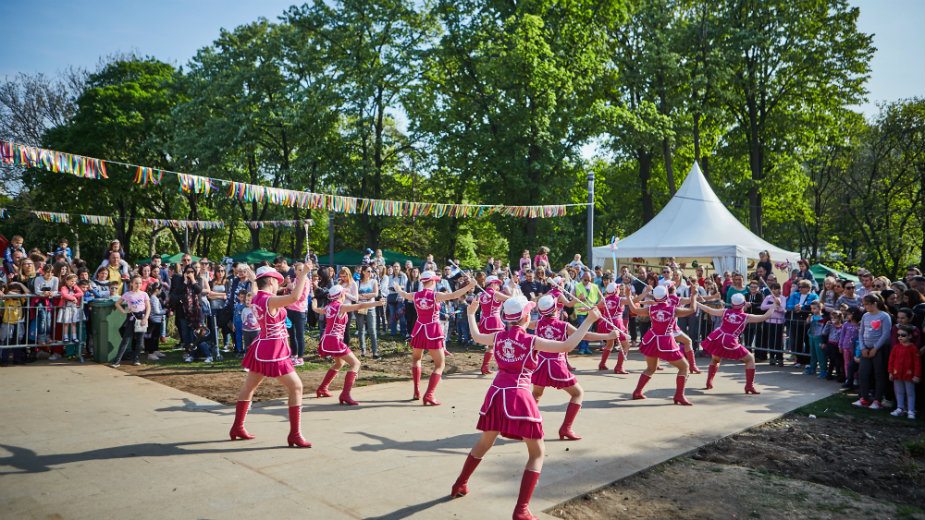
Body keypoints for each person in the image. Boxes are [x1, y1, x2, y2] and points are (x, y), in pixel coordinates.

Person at [450, 296, 600, 520]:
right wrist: (588, 320)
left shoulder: (498, 336)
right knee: (537, 453)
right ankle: (521, 510)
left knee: (485, 442)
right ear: (527, 316)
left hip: (495, 393)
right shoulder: (531, 340)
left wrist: (472, 313)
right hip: (518, 395)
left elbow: (476, 336)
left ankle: (459, 484)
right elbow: (567, 345)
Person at [230, 263, 313, 448]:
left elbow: (257, 284)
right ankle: (295, 434)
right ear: (271, 281)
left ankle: (237, 426)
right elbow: (295, 297)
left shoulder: (256, 296)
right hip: (274, 350)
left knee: (249, 387)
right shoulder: (270, 300)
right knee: (297, 387)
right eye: (277, 281)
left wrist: (254, 276)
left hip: (261, 347)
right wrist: (304, 275)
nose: (279, 285)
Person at [531, 295, 620, 440]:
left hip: (540, 364)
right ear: (556, 309)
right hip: (556, 365)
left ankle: (525, 426)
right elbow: (586, 335)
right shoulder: (563, 326)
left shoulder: (536, 324)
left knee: (536, 395)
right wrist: (608, 335)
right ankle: (566, 428)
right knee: (577, 393)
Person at [394, 270, 473, 405]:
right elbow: (454, 295)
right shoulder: (436, 295)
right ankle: (429, 395)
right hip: (432, 330)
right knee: (439, 364)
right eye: (435, 280)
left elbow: (404, 294)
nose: (436, 282)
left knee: (416, 359)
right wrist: (470, 286)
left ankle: (416, 390)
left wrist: (397, 288)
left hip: (419, 329)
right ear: (431, 281)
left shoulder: (415, 295)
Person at [312, 285, 385, 405]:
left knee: (339, 363)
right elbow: (360, 306)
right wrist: (377, 303)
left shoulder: (329, 306)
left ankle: (322, 388)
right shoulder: (341, 307)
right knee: (356, 363)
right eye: (344, 293)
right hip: (335, 340)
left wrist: (313, 305)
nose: (345, 294)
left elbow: (318, 310)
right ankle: (345, 394)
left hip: (326, 339)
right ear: (341, 295)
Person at [625, 284, 697, 405]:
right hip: (666, 341)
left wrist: (628, 297)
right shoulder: (673, 310)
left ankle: (637, 392)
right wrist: (693, 295)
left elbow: (634, 310)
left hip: (652, 339)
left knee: (650, 368)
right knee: (684, 367)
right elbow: (692, 310)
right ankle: (679, 396)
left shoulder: (651, 309)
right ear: (667, 296)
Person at [698, 292, 775, 393]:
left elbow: (709, 310)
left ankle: (709, 381)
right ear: (743, 304)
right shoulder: (746, 317)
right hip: (729, 340)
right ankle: (749, 386)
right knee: (750, 359)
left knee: (716, 359)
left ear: (732, 303)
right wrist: (774, 306)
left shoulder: (725, 312)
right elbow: (764, 316)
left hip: (717, 336)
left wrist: (696, 303)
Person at [853, 294, 893, 410]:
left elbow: (886, 334)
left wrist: (875, 348)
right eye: (864, 304)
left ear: (874, 303)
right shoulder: (865, 316)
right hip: (866, 349)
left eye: (867, 304)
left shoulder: (884, 316)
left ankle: (877, 400)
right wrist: (863, 348)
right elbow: (861, 333)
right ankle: (864, 398)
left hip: (879, 350)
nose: (865, 307)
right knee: (863, 373)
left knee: (879, 374)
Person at [112, 275, 151, 367]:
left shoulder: (144, 294)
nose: (138, 285)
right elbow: (117, 303)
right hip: (131, 317)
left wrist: (145, 318)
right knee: (126, 339)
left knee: (140, 340)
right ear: (132, 284)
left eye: (140, 283)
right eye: (136, 283)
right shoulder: (127, 294)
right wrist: (124, 311)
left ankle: (136, 359)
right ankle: (117, 361)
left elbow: (148, 307)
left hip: (141, 317)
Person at [478, 275, 510, 375]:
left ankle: (485, 366)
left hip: (485, 320)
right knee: (501, 344)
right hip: (494, 322)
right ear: (492, 283)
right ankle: (504, 367)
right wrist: (508, 290)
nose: (498, 286)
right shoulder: (495, 294)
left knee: (492, 345)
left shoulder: (482, 294)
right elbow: (511, 299)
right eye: (497, 284)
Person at [596, 282, 631, 373]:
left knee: (609, 344)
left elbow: (597, 306)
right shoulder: (620, 300)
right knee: (626, 345)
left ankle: (602, 364)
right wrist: (643, 293)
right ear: (616, 290)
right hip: (616, 324)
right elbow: (633, 301)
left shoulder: (605, 299)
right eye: (619, 288)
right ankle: (619, 367)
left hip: (606, 323)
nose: (620, 289)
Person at [888, 324, 920, 419]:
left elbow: (917, 363)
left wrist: (917, 375)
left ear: (910, 336)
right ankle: (900, 408)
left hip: (909, 375)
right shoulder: (896, 347)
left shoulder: (913, 348)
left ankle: (910, 410)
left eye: (903, 335)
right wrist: (890, 372)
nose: (900, 337)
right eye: (898, 335)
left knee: (910, 393)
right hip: (897, 373)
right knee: (899, 392)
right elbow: (891, 360)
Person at [573, 271, 602, 355]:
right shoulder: (577, 286)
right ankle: (582, 348)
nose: (587, 281)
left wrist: (596, 305)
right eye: (585, 279)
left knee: (588, 330)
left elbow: (600, 298)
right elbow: (572, 297)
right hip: (580, 311)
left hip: (591, 311)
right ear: (582, 278)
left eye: (588, 280)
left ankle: (586, 347)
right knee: (583, 330)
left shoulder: (595, 287)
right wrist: (579, 298)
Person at [355, 265, 380, 358]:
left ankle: (375, 351)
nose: (370, 273)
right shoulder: (358, 282)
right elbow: (356, 294)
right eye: (368, 271)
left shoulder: (374, 281)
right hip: (360, 307)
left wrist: (363, 296)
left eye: (371, 271)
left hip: (371, 308)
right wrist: (367, 296)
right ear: (363, 272)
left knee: (372, 329)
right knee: (361, 329)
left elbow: (375, 294)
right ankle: (363, 350)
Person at [759, 282, 787, 366]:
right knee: (771, 340)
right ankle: (772, 357)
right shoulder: (768, 297)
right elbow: (762, 307)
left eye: (776, 288)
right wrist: (773, 305)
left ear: (779, 289)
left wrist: (778, 305)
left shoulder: (782, 298)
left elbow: (782, 309)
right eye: (773, 289)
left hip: (779, 322)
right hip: (769, 322)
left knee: (779, 341)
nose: (774, 290)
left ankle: (780, 358)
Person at [57, 274, 83, 344]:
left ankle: (74, 337)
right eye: (72, 281)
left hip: (73, 308)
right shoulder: (64, 287)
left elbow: (81, 293)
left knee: (74, 323)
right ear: (67, 281)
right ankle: (66, 337)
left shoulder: (75, 287)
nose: (73, 283)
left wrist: (73, 296)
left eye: (75, 281)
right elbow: (64, 294)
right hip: (66, 308)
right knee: (66, 323)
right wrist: (73, 298)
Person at [145, 282, 167, 361]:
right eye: (160, 289)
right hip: (154, 320)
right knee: (152, 337)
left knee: (156, 336)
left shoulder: (154, 298)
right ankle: (151, 353)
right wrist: (165, 311)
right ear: (157, 290)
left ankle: (155, 350)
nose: (161, 291)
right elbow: (157, 311)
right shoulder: (154, 298)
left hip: (157, 320)